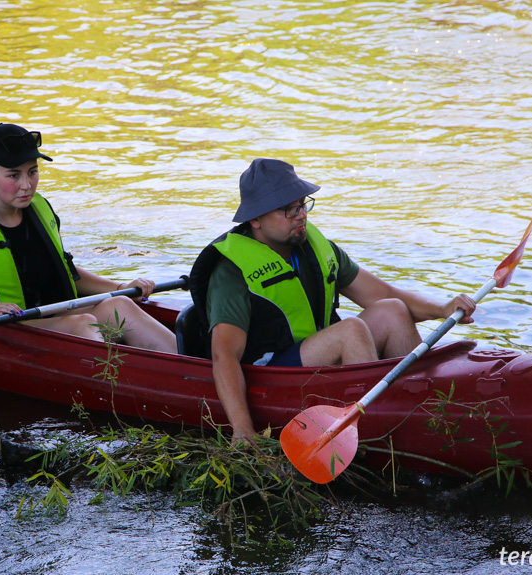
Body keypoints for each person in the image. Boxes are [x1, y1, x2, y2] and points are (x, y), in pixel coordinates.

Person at [189, 158, 477, 440]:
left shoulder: (311, 245)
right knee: (350, 331)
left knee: (392, 310)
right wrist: (243, 430)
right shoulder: (232, 272)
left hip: (314, 353)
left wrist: (442, 308)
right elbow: (223, 355)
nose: (301, 214)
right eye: (288, 209)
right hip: (270, 374)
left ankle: (422, 410)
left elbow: (383, 293)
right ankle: (372, 433)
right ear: (256, 219)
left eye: (302, 204)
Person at [0, 123, 177, 353]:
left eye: (32, 171)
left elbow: (66, 272)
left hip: (46, 318)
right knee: (83, 325)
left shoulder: (37, 211)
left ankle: (194, 374)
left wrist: (119, 287)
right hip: (4, 327)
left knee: (120, 306)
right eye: (14, 175)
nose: (27, 185)